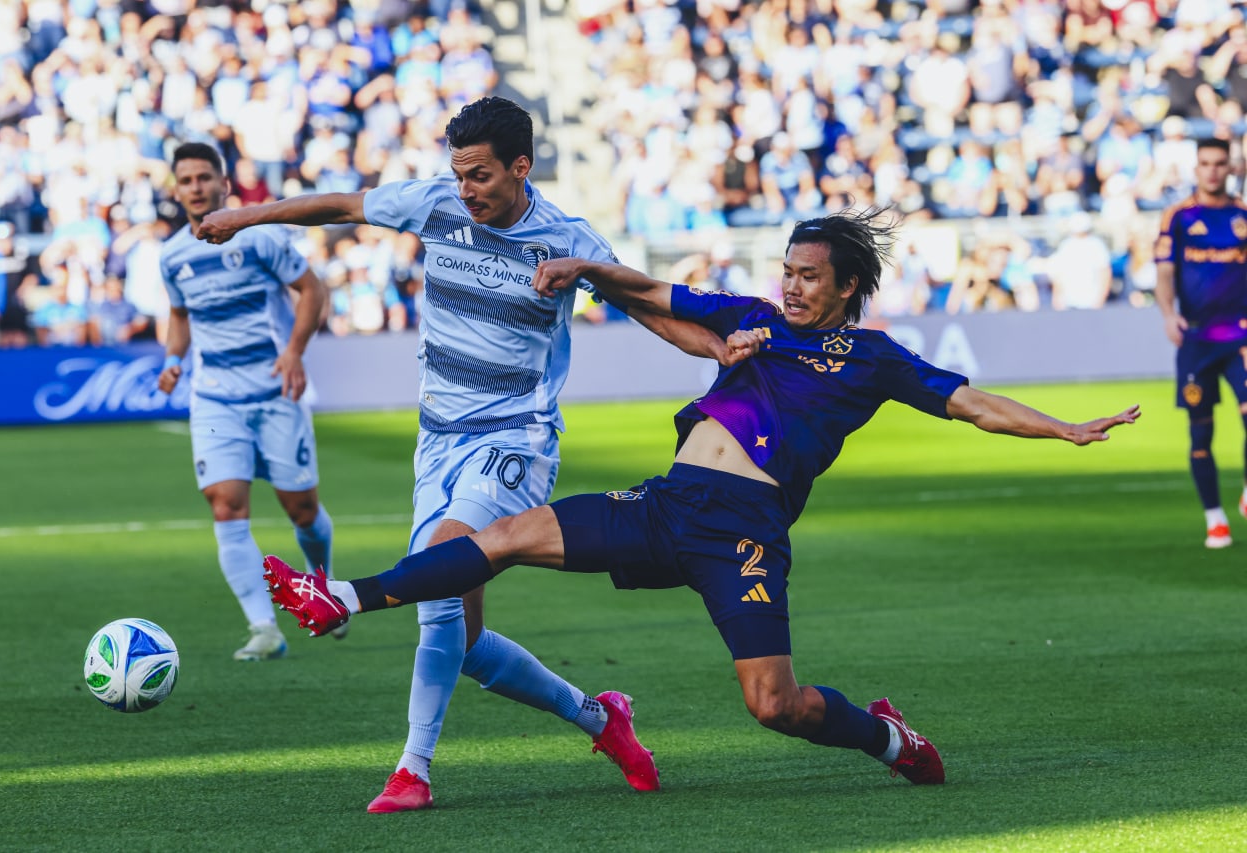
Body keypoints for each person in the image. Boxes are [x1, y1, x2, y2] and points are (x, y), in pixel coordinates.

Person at [263, 208, 1140, 790]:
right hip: (666, 504)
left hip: (745, 537)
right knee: (503, 536)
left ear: (843, 288)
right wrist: (582, 265)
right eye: (788, 270)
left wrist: (1062, 429)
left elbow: (969, 402)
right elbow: (650, 291)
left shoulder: (872, 357)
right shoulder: (746, 315)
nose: (791, 284)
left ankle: (885, 737)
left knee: (775, 706)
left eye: (807, 275)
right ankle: (344, 593)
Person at [196, 97, 741, 812]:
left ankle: (412, 769)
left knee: (442, 578)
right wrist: (246, 215)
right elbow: (345, 203)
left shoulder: (565, 241)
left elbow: (651, 310)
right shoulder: (434, 205)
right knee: (462, 634)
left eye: (480, 175)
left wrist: (724, 349)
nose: (466, 190)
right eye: (458, 175)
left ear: (521, 167)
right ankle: (600, 716)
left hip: (514, 439)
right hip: (438, 443)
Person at [157, 141, 339, 661]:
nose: (195, 187)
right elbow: (180, 316)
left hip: (275, 390)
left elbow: (313, 289)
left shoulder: (260, 240)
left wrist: (295, 352)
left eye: (203, 178)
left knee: (301, 510)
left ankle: (324, 588)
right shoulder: (172, 255)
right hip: (215, 399)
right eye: (186, 179)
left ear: (223, 184)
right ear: (177, 189)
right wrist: (174, 358)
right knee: (226, 505)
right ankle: (265, 629)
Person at [1154, 136, 1247, 549]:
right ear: (1196, 169)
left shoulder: (1243, 215)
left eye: (1220, 163)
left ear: (1231, 168)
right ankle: (1214, 518)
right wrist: (1167, 313)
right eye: (1205, 163)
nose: (1212, 170)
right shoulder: (1178, 217)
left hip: (1241, 335)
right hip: (1196, 339)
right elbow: (1164, 274)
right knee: (1200, 432)